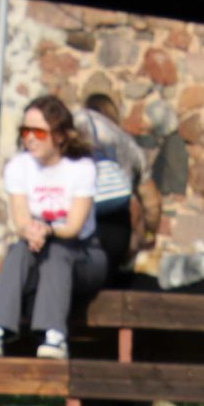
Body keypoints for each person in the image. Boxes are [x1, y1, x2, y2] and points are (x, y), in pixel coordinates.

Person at [0, 95, 103, 359]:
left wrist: (47, 230)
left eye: (38, 132)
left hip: (82, 253)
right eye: (25, 131)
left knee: (57, 252)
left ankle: (53, 334)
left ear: (59, 135)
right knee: (19, 249)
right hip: (36, 247)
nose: (30, 138)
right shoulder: (18, 167)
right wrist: (30, 231)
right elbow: (20, 219)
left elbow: (74, 227)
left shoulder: (82, 169)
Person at [73, 92, 160, 281]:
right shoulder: (127, 144)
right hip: (111, 234)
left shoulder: (72, 129)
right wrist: (149, 233)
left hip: (71, 232)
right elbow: (152, 203)